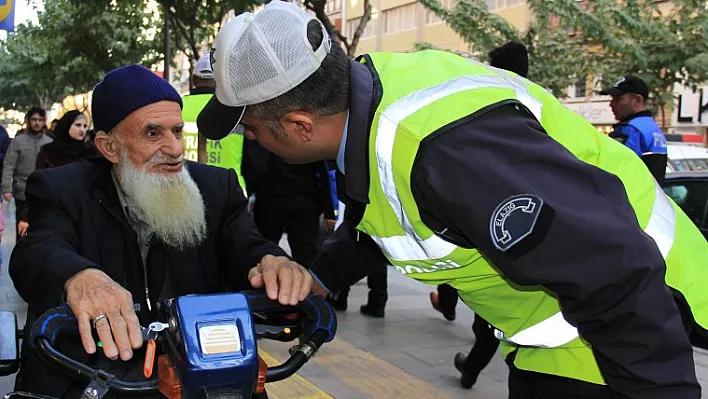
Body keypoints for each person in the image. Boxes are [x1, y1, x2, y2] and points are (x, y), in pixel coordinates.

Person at [197, 2, 708, 397]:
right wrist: (321, 277)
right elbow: (390, 214)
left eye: (256, 130)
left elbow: (612, 271)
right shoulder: (373, 98)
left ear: (299, 125)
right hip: (558, 342)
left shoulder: (442, 150)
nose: (255, 142)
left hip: (620, 337)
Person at [9, 64, 314, 397]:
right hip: (97, 378)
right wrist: (78, 276)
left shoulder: (216, 187)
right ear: (109, 147)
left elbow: (246, 245)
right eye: (153, 133)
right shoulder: (62, 189)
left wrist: (271, 261)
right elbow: (36, 251)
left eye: (178, 131)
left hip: (199, 377)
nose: (175, 149)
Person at [432, 41, 529, 389]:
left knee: (492, 311)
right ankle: (474, 362)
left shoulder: (490, 100)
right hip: (526, 222)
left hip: (491, 222)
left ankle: (472, 367)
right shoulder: (536, 102)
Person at [241, 138, 336, 269]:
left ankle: (265, 286)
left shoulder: (264, 129)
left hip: (270, 198)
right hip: (304, 199)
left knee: (263, 252)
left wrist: (254, 189)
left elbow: (251, 163)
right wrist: (329, 209)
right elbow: (322, 171)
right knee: (307, 256)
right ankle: (307, 287)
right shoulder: (305, 133)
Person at [15, 111, 97, 237]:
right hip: (55, 211)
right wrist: (26, 217)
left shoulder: (90, 151)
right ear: (67, 125)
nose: (82, 129)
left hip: (86, 213)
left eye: (85, 126)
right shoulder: (49, 152)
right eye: (78, 125)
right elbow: (37, 185)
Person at [182, 53, 245, 186]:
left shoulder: (178, 107)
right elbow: (253, 160)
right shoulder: (234, 108)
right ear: (219, 80)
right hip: (231, 188)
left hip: (187, 187)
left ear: (193, 80)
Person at [601, 75, 668, 182]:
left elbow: (613, 171)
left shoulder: (630, 130)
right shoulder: (653, 129)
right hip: (653, 196)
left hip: (629, 197)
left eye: (618, 99)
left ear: (637, 100)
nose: (611, 104)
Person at [2, 106, 53, 242]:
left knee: (42, 230)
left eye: (40, 120)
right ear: (28, 121)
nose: (37, 123)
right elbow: (9, 165)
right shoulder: (18, 142)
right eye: (34, 119)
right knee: (22, 231)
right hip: (22, 193)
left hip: (44, 194)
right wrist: (6, 188)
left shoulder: (49, 143)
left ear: (44, 121)